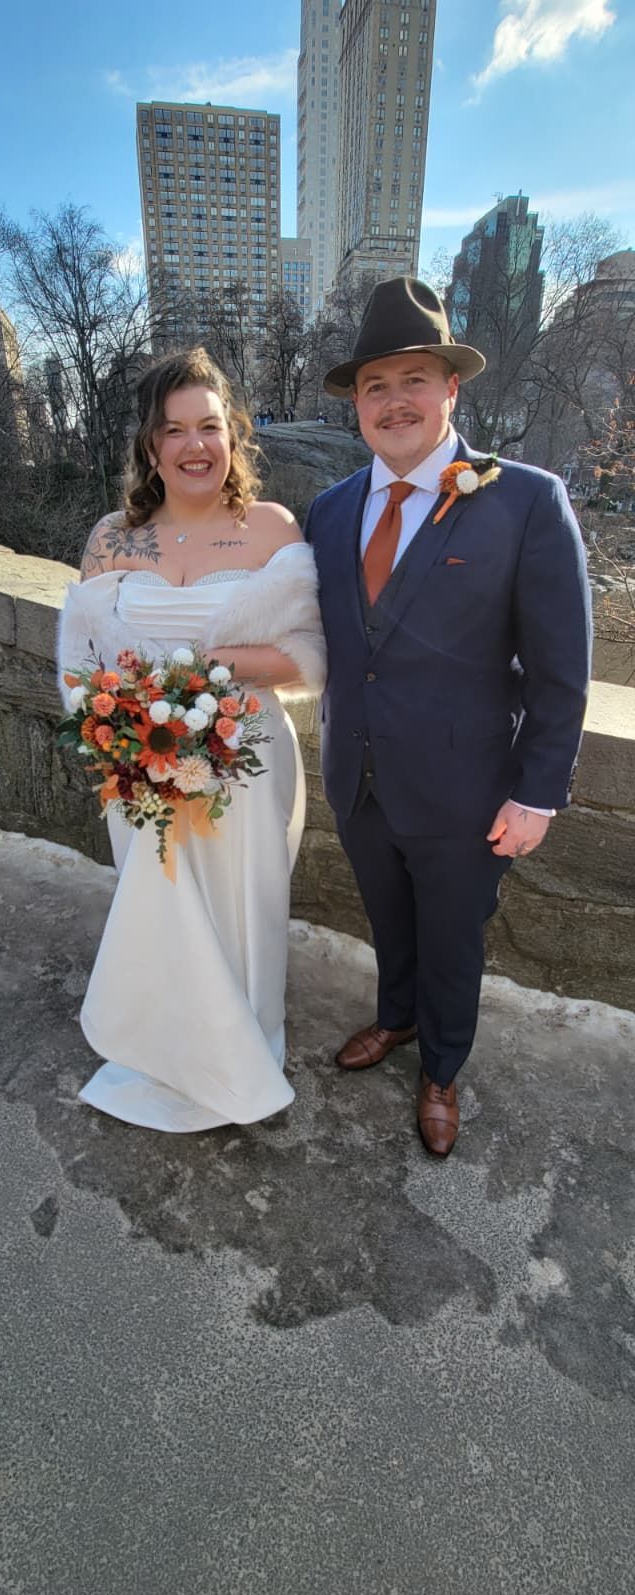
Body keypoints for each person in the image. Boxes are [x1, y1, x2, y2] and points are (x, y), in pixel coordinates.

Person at [304, 277, 592, 1158]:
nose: (395, 402)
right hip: (355, 776)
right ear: (357, 402)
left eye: (414, 380)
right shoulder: (328, 510)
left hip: (468, 791)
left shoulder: (526, 501)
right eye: (375, 386)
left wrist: (538, 793)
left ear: (451, 389)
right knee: (387, 920)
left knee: (453, 938)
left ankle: (442, 1065)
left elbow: (561, 669)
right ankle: (393, 1019)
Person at [57, 347, 325, 1132]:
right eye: (174, 430)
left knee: (242, 907)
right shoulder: (112, 538)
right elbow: (81, 663)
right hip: (140, 770)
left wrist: (211, 671)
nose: (194, 445)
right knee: (161, 907)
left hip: (243, 765)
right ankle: (167, 1045)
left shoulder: (270, 527)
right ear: (150, 445)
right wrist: (118, 740)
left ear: (232, 436)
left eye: (209, 426)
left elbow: (310, 655)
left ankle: (240, 1048)